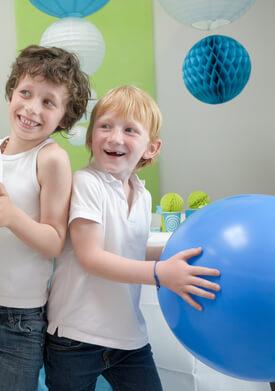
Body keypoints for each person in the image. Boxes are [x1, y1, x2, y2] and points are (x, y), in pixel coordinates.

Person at [44, 85, 221, 390]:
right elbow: (91, 257)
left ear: (152, 148)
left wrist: (179, 251)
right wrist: (160, 273)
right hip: (75, 336)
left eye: (129, 130)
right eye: (105, 126)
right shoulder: (87, 183)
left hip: (127, 336)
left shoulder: (141, 194)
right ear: (90, 138)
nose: (115, 138)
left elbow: (132, 248)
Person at [0, 45, 90, 391]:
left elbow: (55, 241)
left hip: (21, 320)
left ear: (64, 116)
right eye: (25, 93)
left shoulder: (51, 159)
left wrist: (12, 217)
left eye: (48, 102)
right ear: (12, 91)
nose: (31, 108)